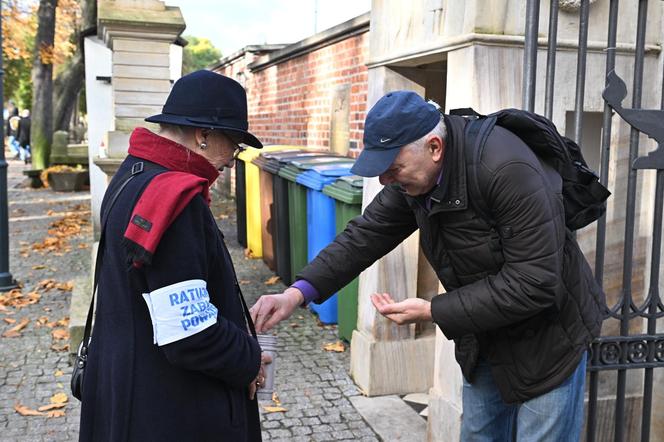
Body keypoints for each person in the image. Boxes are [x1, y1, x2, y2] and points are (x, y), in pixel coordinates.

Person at [250, 91, 607, 441]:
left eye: (393, 168)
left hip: (550, 340)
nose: (386, 181)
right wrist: (297, 294)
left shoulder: (505, 168)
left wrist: (433, 310)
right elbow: (366, 235)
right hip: (485, 335)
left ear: (434, 148)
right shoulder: (413, 181)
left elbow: (534, 282)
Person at [79, 70, 270, 442]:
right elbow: (190, 335)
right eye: (234, 144)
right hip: (169, 407)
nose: (233, 160)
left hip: (128, 388)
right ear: (203, 135)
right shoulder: (174, 201)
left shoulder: (131, 175)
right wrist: (248, 360)